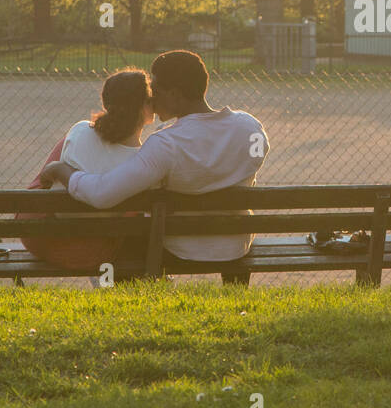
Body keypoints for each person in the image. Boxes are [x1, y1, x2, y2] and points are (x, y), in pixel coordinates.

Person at [38, 50, 269, 262]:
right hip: (236, 243)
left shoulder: (165, 145)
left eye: (155, 91)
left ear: (175, 95)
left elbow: (101, 195)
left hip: (182, 248)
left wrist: (61, 170)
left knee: (131, 235)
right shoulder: (249, 128)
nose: (152, 100)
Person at [21, 68, 154, 270]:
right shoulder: (145, 159)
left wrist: (58, 169)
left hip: (45, 241)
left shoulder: (81, 130)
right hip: (96, 251)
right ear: (145, 107)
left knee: (64, 152)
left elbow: (44, 182)